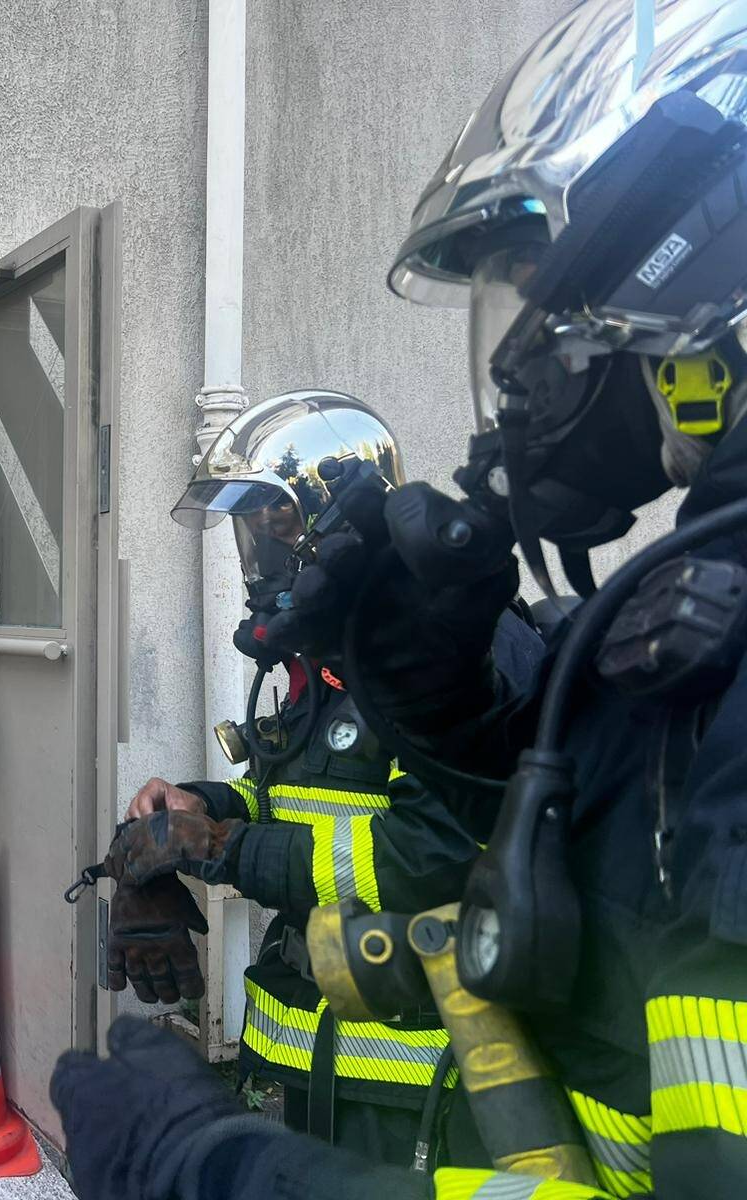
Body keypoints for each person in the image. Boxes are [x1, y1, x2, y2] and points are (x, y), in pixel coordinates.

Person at [53, 4, 747, 1198]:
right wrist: (425, 708)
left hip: (404, 1092)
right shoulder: (676, 631)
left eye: (538, 301)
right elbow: (571, 864)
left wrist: (211, 1170)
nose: (520, 368)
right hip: (317, 1061)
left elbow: (435, 861)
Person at [104, 392, 488, 1168]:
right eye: (251, 529)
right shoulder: (333, 662)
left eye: (275, 524)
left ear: (336, 522)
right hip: (312, 1062)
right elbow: (300, 796)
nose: (260, 552)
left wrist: (219, 847)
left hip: (420, 1083)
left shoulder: (443, 655)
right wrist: (195, 808)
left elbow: (431, 857)